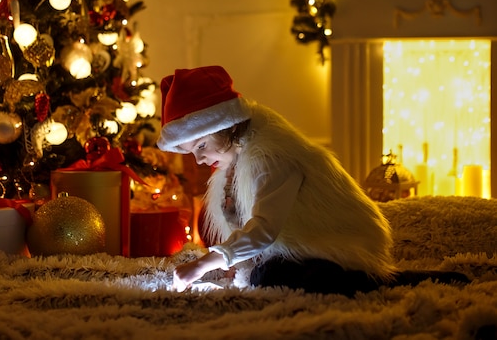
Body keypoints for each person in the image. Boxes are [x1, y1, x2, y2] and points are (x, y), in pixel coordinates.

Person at [157, 65, 468, 295]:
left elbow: (263, 231)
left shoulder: (272, 156)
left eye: (200, 146)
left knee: (273, 276)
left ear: (226, 126)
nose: (198, 159)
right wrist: (229, 263)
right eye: (190, 151)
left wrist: (203, 264)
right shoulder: (234, 165)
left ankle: (379, 281)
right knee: (265, 274)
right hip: (299, 252)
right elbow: (247, 231)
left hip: (340, 247)